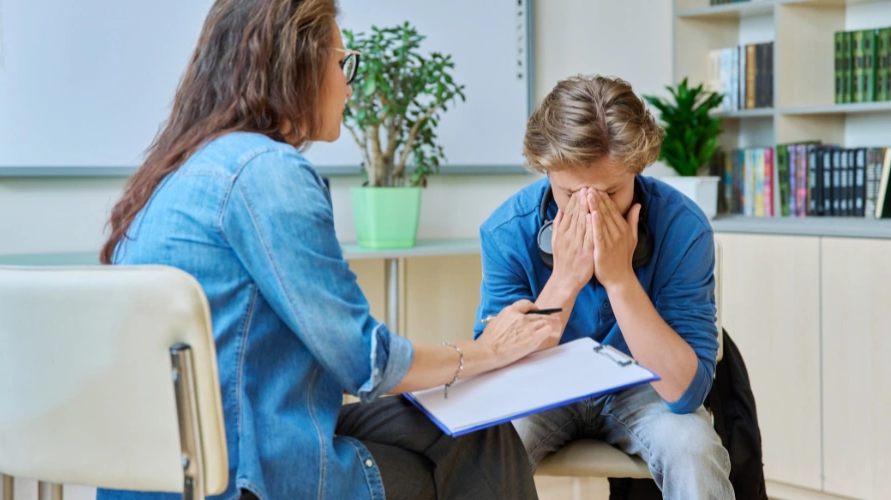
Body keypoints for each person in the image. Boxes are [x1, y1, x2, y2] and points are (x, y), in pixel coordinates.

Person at [96, 1, 560, 499]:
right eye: (343, 62)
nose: (348, 83)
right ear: (297, 65)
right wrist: (487, 351)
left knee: (476, 428)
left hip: (169, 471)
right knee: (465, 451)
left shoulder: (174, 175)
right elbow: (364, 362)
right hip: (250, 474)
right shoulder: (267, 171)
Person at [473, 74, 735, 500]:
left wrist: (619, 279)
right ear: (546, 171)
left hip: (643, 387)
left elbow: (685, 392)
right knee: (482, 451)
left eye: (611, 191)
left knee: (693, 447)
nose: (590, 210)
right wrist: (563, 281)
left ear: (638, 168)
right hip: (543, 384)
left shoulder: (684, 228)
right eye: (570, 193)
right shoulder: (507, 230)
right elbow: (497, 383)